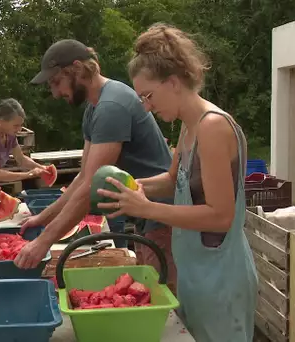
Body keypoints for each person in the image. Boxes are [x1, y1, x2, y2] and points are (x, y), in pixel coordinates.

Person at [94, 23, 258, 342]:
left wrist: (147, 208)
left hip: (221, 279)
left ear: (172, 83)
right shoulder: (188, 127)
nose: (146, 106)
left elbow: (220, 215)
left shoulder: (212, 127)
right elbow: (173, 181)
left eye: (148, 95)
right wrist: (133, 187)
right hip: (196, 275)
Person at [15, 39, 178, 294]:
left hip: (165, 217)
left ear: (77, 69)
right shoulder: (96, 107)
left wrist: (42, 243)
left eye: (56, 82)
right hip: (148, 215)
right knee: (150, 293)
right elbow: (83, 177)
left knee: (163, 302)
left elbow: (92, 187)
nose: (56, 93)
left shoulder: (111, 107)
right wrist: (43, 218)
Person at [0, 98, 48, 198]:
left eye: (21, 125)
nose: (19, 129)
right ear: (2, 120)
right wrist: (28, 175)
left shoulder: (9, 135)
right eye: (16, 125)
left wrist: (42, 168)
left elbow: (21, 159)